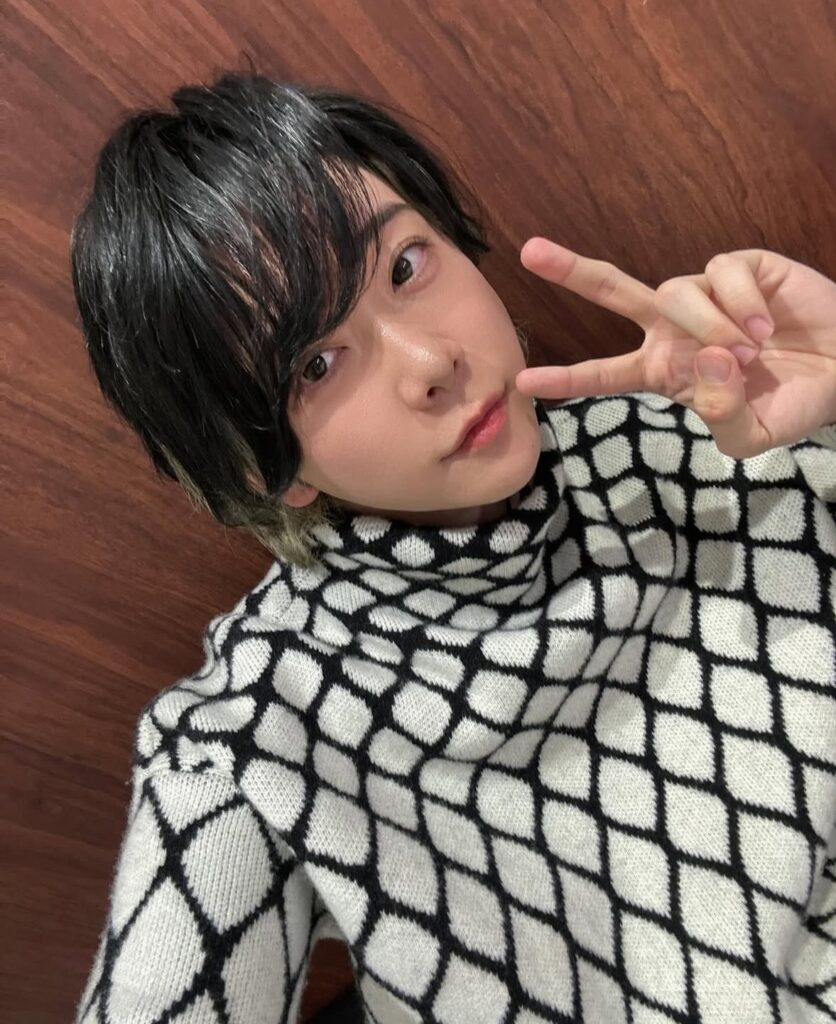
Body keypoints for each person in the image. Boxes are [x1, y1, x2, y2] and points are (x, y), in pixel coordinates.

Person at [69, 69, 835, 1024]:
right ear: (265, 467)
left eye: (403, 266)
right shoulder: (259, 735)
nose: (431, 363)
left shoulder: (689, 427)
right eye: (315, 363)